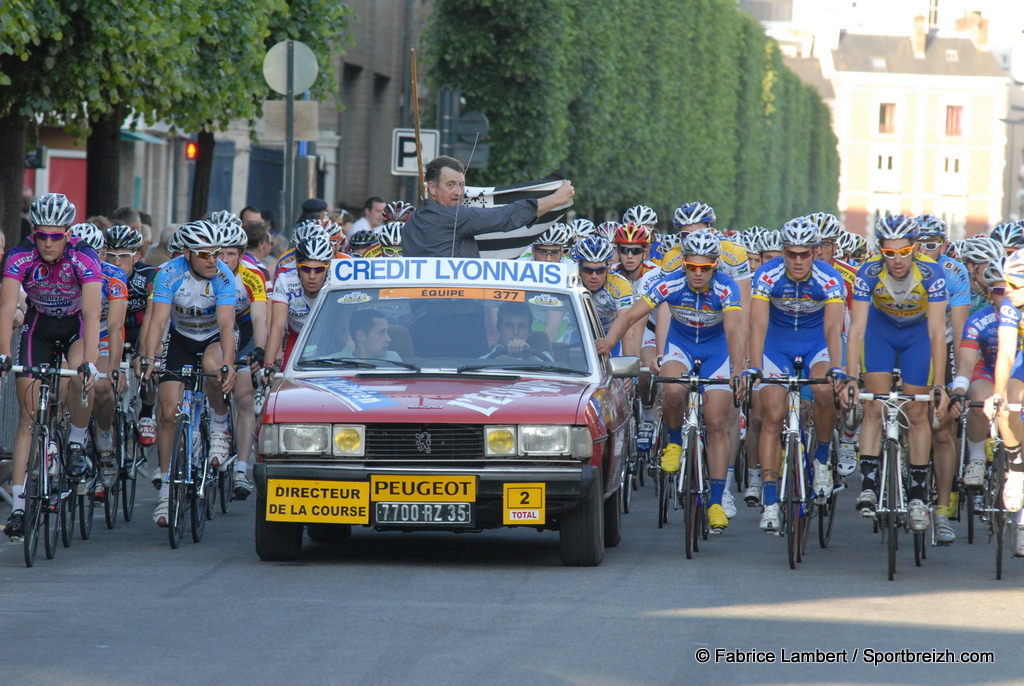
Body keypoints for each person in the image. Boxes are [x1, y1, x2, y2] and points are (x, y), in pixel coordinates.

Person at [596, 231, 746, 534]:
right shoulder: (670, 282)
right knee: (674, 388)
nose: (698, 273)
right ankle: (675, 442)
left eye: (705, 268)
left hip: (717, 352)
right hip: (682, 346)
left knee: (717, 421)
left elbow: (733, 331)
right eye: (692, 267)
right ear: (684, 265)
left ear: (716, 266)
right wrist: (608, 341)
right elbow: (630, 317)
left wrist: (739, 369)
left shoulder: (727, 288)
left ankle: (716, 500)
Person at [0, 193, 103, 541]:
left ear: (68, 234)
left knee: (78, 378)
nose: (46, 242)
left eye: (55, 236)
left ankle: (75, 441)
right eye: (40, 234)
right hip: (39, 327)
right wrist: (3, 355)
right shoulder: (19, 254)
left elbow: (91, 313)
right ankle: (17, 507)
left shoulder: (84, 257)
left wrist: (89, 362)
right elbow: (6, 308)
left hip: (75, 327)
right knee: (28, 419)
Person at [842, 214, 950, 532]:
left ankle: (917, 496)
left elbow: (935, 332)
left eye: (904, 252)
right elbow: (858, 330)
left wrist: (940, 384)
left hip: (917, 336)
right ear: (880, 251)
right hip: (881, 332)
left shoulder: (933, 274)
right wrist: (850, 378)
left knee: (917, 412)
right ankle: (869, 484)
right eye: (889, 253)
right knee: (874, 405)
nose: (897, 260)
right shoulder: (869, 272)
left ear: (915, 248)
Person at [747, 218, 845, 532]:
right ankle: (771, 500)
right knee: (772, 415)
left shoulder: (830, 278)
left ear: (816, 252)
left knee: (824, 391)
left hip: (815, 344)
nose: (798, 261)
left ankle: (820, 458)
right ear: (784, 252)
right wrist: (755, 366)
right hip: (777, 346)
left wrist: (837, 368)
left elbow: (833, 328)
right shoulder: (767, 275)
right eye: (792, 254)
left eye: (805, 254)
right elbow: (758, 325)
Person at [141, 220, 237, 528]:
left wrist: (229, 365)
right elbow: (157, 322)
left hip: (212, 339)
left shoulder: (224, 276)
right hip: (181, 340)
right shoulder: (169, 273)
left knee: (213, 368)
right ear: (187, 253)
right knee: (168, 411)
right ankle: (167, 491)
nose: (213, 260)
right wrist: (150, 358)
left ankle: (220, 426)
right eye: (205, 254)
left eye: (217, 253)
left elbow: (225, 325)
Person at [402, 156, 575, 258]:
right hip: (456, 309)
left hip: (421, 309)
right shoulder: (453, 216)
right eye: (450, 185)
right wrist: (555, 199)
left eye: (462, 185)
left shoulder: (412, 222)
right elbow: (506, 216)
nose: (459, 192)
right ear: (432, 187)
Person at [70, 222, 128, 490]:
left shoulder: (114, 277)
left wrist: (115, 366)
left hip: (103, 335)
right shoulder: (63, 271)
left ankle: (105, 438)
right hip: (74, 335)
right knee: (63, 386)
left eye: (91, 254)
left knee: (103, 387)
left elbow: (116, 326)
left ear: (101, 255)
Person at [105, 224, 159, 445]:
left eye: (124, 256)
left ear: (136, 256)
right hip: (110, 329)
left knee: (150, 365)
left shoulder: (149, 275)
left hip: (139, 330)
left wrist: (145, 353)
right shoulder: (99, 275)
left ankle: (146, 414)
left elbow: (152, 317)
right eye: (111, 256)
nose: (117, 262)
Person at [264, 233, 335, 371]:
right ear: (297, 267)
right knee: (288, 378)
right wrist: (268, 366)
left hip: (329, 339)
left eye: (319, 270)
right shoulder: (285, 281)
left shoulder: (336, 281)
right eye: (306, 269)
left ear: (328, 267)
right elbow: (277, 327)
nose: (312, 276)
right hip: (296, 337)